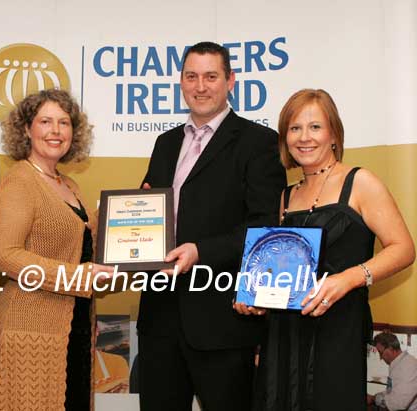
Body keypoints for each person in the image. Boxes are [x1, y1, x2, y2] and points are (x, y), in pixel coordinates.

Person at [242, 89, 415, 411]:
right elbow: (281, 268)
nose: (304, 137)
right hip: (282, 337)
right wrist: (255, 296)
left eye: (315, 127)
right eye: (294, 128)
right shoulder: (286, 196)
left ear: (334, 133)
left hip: (337, 333)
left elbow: (403, 249)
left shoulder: (360, 182)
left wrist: (348, 278)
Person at [139, 41, 287, 410]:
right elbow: (148, 211)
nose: (200, 86)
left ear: (230, 81)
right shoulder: (165, 143)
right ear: (181, 82)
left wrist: (201, 251)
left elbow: (264, 225)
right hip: (159, 318)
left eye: (210, 76)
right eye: (192, 76)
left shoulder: (259, 142)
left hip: (221, 320)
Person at [0, 89, 111, 411]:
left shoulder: (69, 185)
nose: (55, 131)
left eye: (64, 123)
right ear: (27, 129)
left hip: (74, 326)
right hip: (31, 328)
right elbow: (4, 254)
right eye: (45, 121)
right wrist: (77, 277)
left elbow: (81, 246)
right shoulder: (21, 181)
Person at [368, 332, 417, 411]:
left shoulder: (408, 367)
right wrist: (376, 396)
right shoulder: (399, 363)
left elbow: (397, 404)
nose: (380, 358)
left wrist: (373, 399)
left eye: (381, 353)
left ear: (390, 348)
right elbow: (391, 392)